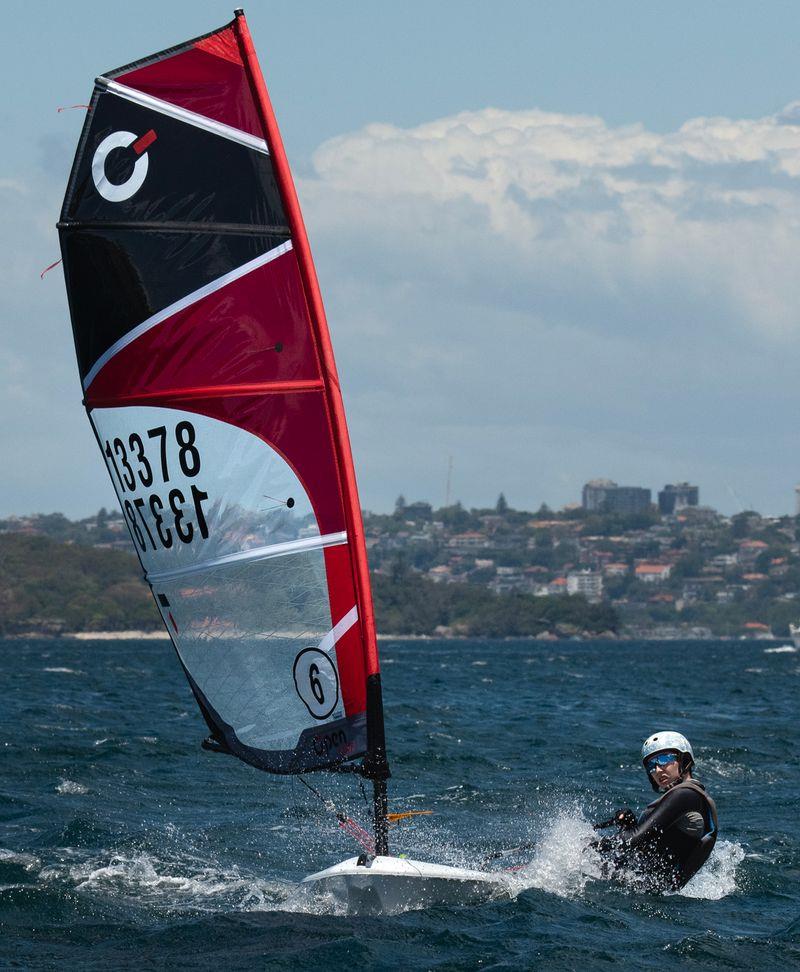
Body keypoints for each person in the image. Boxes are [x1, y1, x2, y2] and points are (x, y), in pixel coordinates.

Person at [592, 730, 718, 891]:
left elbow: (634, 840)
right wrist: (629, 825)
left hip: (646, 889)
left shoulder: (685, 795)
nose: (657, 770)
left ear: (684, 760)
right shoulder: (689, 797)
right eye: (651, 765)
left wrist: (590, 846)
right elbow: (653, 845)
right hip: (645, 885)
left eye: (664, 759)